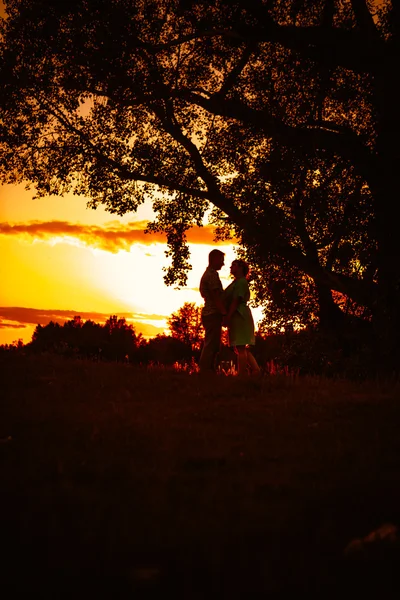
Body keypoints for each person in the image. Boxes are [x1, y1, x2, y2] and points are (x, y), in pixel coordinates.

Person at [223, 259, 260, 376]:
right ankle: (256, 370)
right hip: (236, 315)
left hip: (240, 315)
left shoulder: (241, 282)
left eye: (234, 265)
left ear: (240, 268)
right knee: (240, 346)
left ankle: (241, 374)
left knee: (240, 346)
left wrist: (228, 316)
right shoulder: (236, 282)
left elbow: (236, 300)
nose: (230, 267)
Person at [198, 249, 227, 372]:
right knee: (211, 344)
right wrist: (224, 313)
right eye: (221, 260)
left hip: (210, 314)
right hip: (212, 314)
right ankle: (205, 371)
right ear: (214, 259)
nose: (223, 264)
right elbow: (216, 297)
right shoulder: (211, 275)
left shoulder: (209, 274)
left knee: (214, 344)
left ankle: (209, 371)